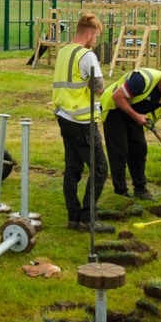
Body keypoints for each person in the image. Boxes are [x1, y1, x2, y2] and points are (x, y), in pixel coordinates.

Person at [51, 13, 113, 233]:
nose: (95, 41)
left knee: (73, 168)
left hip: (64, 117)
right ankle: (88, 218)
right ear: (89, 33)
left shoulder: (63, 52)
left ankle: (73, 217)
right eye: (95, 36)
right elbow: (99, 87)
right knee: (100, 168)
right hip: (82, 120)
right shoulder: (87, 56)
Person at [101, 69, 161, 200]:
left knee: (139, 150)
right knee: (119, 151)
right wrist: (136, 116)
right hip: (115, 110)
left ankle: (140, 189)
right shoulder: (141, 80)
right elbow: (117, 97)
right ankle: (121, 192)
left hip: (135, 115)